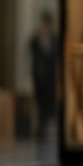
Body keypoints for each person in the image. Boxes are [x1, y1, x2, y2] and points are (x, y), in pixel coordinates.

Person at [29, 11, 57, 141]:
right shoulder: (36, 39)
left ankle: (46, 127)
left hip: (51, 77)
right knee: (40, 104)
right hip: (39, 77)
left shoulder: (54, 39)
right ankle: (41, 129)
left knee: (49, 103)